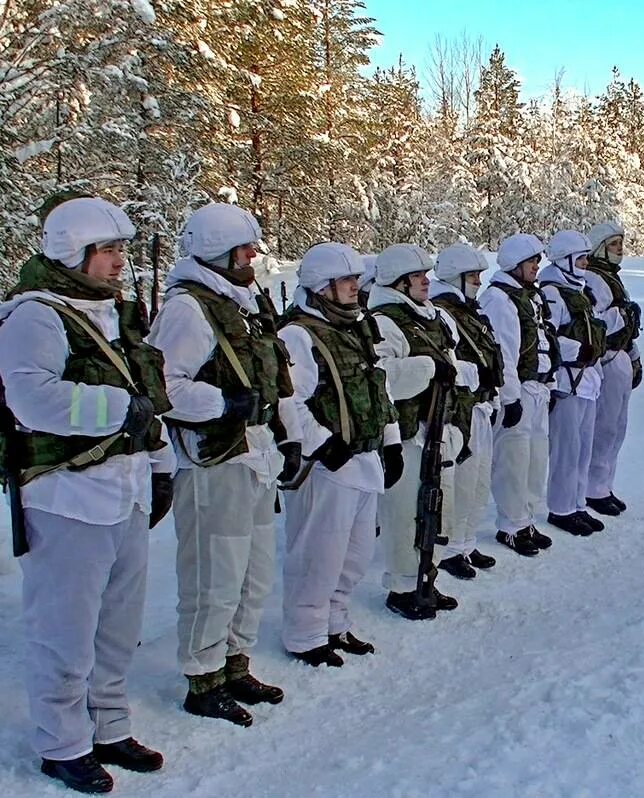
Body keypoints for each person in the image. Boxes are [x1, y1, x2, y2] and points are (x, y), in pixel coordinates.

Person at [0, 197, 174, 792]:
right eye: (109, 250)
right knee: (64, 628)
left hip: (121, 493)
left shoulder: (113, 313)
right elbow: (33, 400)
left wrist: (159, 463)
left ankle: (110, 725)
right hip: (65, 496)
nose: (120, 260)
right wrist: (120, 409)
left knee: (118, 626)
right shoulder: (35, 316)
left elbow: (147, 397)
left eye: (123, 249)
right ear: (73, 251)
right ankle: (62, 742)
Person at [147, 203, 291, 727]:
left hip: (252, 454)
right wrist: (222, 405)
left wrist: (281, 433)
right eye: (243, 249)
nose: (252, 256)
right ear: (217, 252)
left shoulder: (242, 301)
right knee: (214, 572)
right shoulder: (188, 309)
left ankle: (235, 662)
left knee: (253, 571)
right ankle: (202, 676)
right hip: (212, 460)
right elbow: (163, 386)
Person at [277, 242, 398, 666]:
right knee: (318, 553)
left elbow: (377, 391)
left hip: (363, 459)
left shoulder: (356, 328)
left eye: (355, 280)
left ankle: (335, 621)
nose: (354, 288)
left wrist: (392, 439)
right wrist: (322, 444)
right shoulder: (298, 333)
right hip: (325, 466)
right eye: (345, 281)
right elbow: (289, 400)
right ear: (321, 287)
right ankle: (305, 632)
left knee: (354, 552)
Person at [367, 244, 463, 618]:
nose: (426, 281)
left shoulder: (433, 317)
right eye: (417, 276)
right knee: (406, 511)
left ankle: (427, 576)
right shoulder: (384, 321)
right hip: (405, 432)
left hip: (437, 427)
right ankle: (403, 586)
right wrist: (426, 368)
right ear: (399, 282)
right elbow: (383, 378)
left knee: (437, 507)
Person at [478, 234, 556, 557]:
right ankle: (510, 524)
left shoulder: (530, 296)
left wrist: (549, 383)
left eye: (538, 261)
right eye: (531, 261)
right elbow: (504, 353)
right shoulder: (499, 299)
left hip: (537, 387)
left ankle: (525, 518)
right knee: (514, 459)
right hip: (519, 389)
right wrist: (510, 398)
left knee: (536, 460)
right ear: (514, 264)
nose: (537, 267)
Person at [429, 243, 503, 579]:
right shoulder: (443, 311)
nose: (477, 281)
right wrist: (476, 376)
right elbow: (449, 361)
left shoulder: (469, 310)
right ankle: (451, 548)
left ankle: (467, 541)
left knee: (479, 480)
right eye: (472, 275)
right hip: (462, 408)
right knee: (461, 481)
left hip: (481, 404)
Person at [538, 230, 606, 537]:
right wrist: (577, 350)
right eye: (580, 258)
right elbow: (547, 337)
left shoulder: (579, 289)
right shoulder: (553, 292)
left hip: (587, 380)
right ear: (564, 260)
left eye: (586, 258)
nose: (586, 264)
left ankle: (578, 503)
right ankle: (561, 507)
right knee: (566, 449)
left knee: (583, 448)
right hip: (567, 381)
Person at [582, 221, 642, 516]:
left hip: (620, 356)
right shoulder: (594, 279)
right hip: (605, 358)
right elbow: (600, 321)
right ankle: (593, 486)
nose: (620, 250)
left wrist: (634, 356)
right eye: (614, 244)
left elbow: (628, 326)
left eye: (621, 244)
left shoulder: (612, 278)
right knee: (604, 426)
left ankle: (604, 484)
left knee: (617, 425)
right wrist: (623, 315)